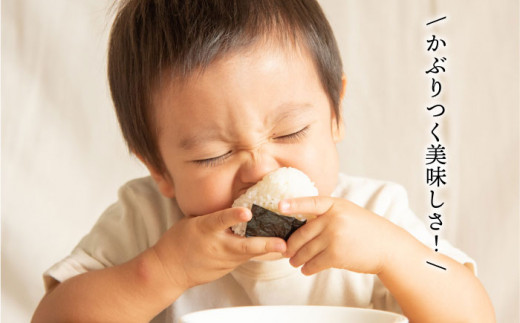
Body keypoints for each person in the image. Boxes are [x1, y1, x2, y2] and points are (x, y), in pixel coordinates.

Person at [32, 0, 495, 322]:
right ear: (159, 169)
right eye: (213, 155)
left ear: (335, 113)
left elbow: (473, 317)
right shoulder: (146, 219)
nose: (260, 169)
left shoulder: (374, 213)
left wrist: (393, 256)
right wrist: (165, 269)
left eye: (291, 131)